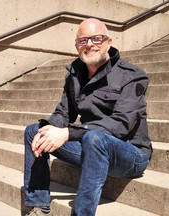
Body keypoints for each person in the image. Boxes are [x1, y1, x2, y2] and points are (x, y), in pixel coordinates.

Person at [24, 18, 153, 216]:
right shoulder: (75, 74)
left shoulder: (132, 76)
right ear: (77, 46)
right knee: (35, 131)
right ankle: (38, 206)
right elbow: (64, 113)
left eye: (96, 39)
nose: (90, 44)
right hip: (93, 148)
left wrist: (69, 132)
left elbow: (121, 124)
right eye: (83, 40)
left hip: (130, 154)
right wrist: (50, 129)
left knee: (94, 137)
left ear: (108, 42)